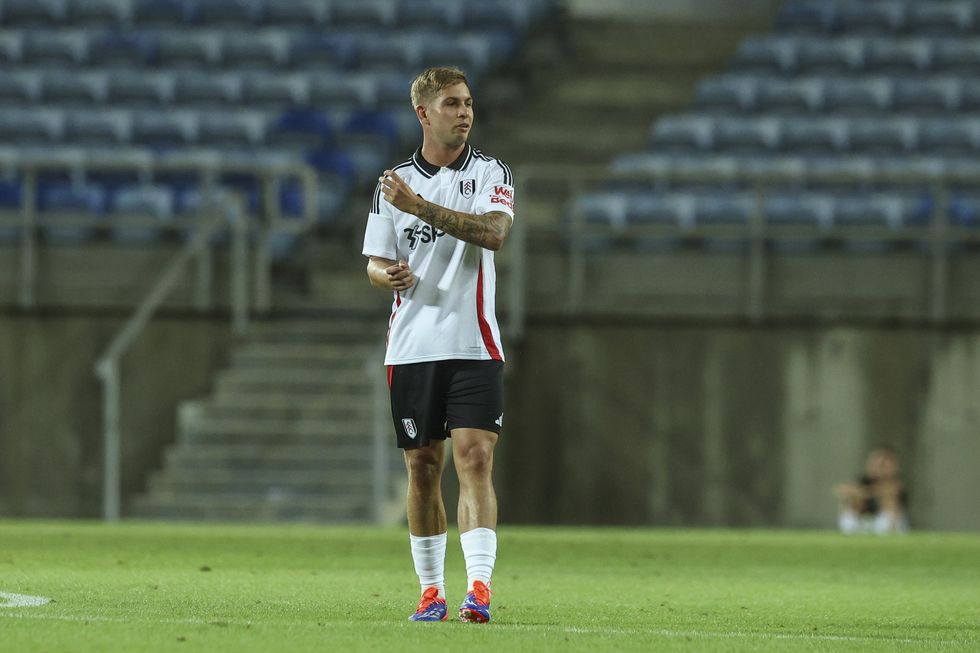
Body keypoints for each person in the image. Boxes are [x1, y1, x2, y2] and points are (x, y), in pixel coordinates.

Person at [361, 66, 515, 623]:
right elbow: (375, 262)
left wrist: (420, 207)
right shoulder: (393, 184)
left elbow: (493, 232)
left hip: (474, 342)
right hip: (412, 346)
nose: (465, 112)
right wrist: (387, 276)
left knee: (475, 457)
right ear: (423, 113)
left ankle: (479, 588)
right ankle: (431, 592)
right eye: (452, 103)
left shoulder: (490, 172)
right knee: (423, 466)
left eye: (468, 102)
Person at [834, 446, 909, 535]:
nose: (879, 468)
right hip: (866, 518)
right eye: (876, 464)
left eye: (883, 465)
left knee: (889, 500)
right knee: (852, 500)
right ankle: (851, 531)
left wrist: (865, 494)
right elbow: (843, 490)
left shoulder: (896, 483)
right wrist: (863, 495)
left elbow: (890, 491)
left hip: (886, 523)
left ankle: (889, 532)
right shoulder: (863, 481)